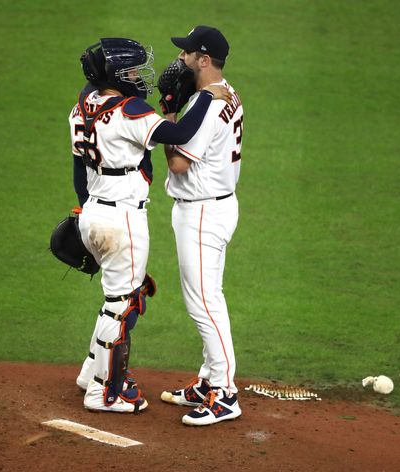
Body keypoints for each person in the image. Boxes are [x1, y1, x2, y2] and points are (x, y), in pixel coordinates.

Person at [68, 37, 231, 413]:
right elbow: (178, 135)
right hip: (122, 219)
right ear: (113, 74)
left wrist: (84, 214)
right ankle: (104, 392)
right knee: (123, 306)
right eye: (131, 70)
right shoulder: (130, 109)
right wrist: (206, 98)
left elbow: (79, 168)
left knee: (124, 297)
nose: (139, 76)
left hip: (93, 211)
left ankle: (91, 372)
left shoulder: (81, 106)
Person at [158, 26, 245, 426]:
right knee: (210, 296)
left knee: (204, 303)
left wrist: (170, 114)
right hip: (217, 206)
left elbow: (178, 163)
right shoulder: (225, 93)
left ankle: (225, 393)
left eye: (187, 54)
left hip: (202, 213)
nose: (181, 60)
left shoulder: (205, 106)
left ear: (204, 60)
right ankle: (209, 379)